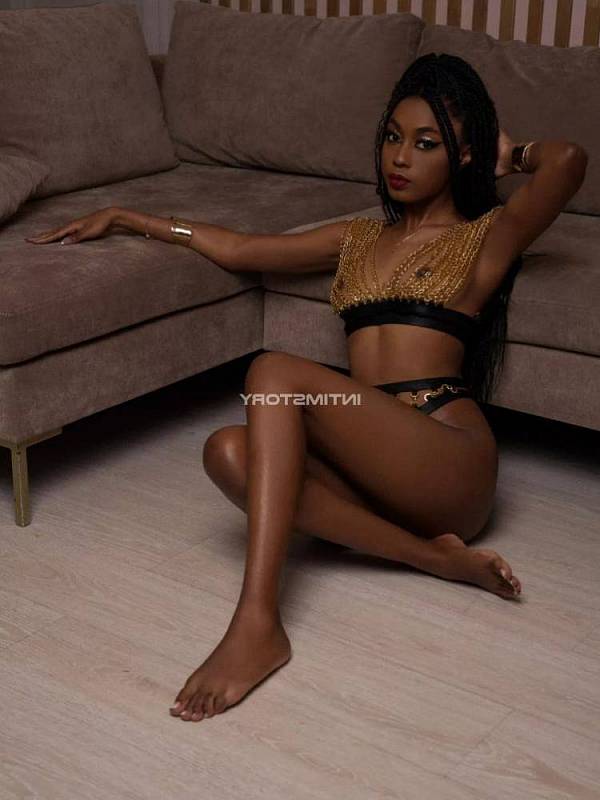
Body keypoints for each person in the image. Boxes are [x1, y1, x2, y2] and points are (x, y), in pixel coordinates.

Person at [27, 53, 588, 724]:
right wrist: (128, 217)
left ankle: (258, 621)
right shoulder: (358, 237)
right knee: (225, 452)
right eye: (392, 137)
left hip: (447, 459)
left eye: (426, 143)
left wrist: (508, 154)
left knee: (274, 372)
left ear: (462, 155)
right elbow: (242, 249)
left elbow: (569, 161)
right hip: (372, 468)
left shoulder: (488, 236)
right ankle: (433, 559)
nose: (399, 157)